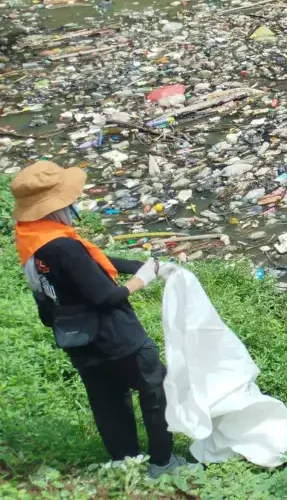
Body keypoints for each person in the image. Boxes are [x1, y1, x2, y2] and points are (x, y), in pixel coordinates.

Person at [11, 161, 194, 478]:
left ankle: (125, 463)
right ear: (58, 205)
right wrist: (144, 278)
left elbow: (89, 264)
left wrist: (141, 263)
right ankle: (162, 464)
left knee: (108, 400)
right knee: (156, 388)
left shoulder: (33, 243)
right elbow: (105, 297)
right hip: (116, 337)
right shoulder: (65, 247)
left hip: (77, 339)